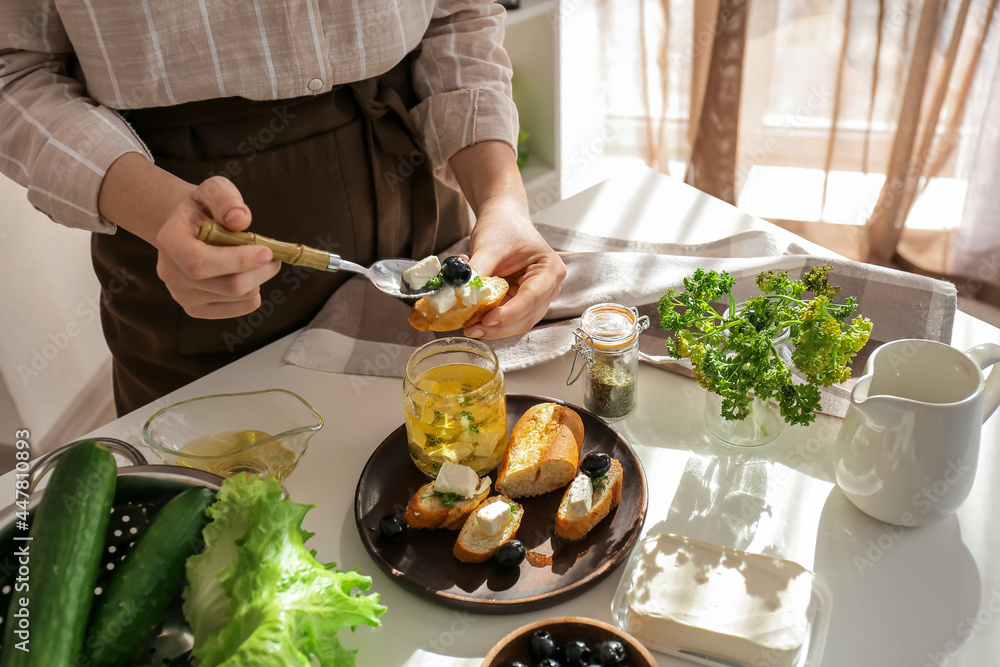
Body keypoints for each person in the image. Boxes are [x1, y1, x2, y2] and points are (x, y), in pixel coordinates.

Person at [0, 0, 566, 415]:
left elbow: (456, 14)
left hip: (412, 184)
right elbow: (15, 69)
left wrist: (502, 199)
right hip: (192, 246)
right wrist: (156, 208)